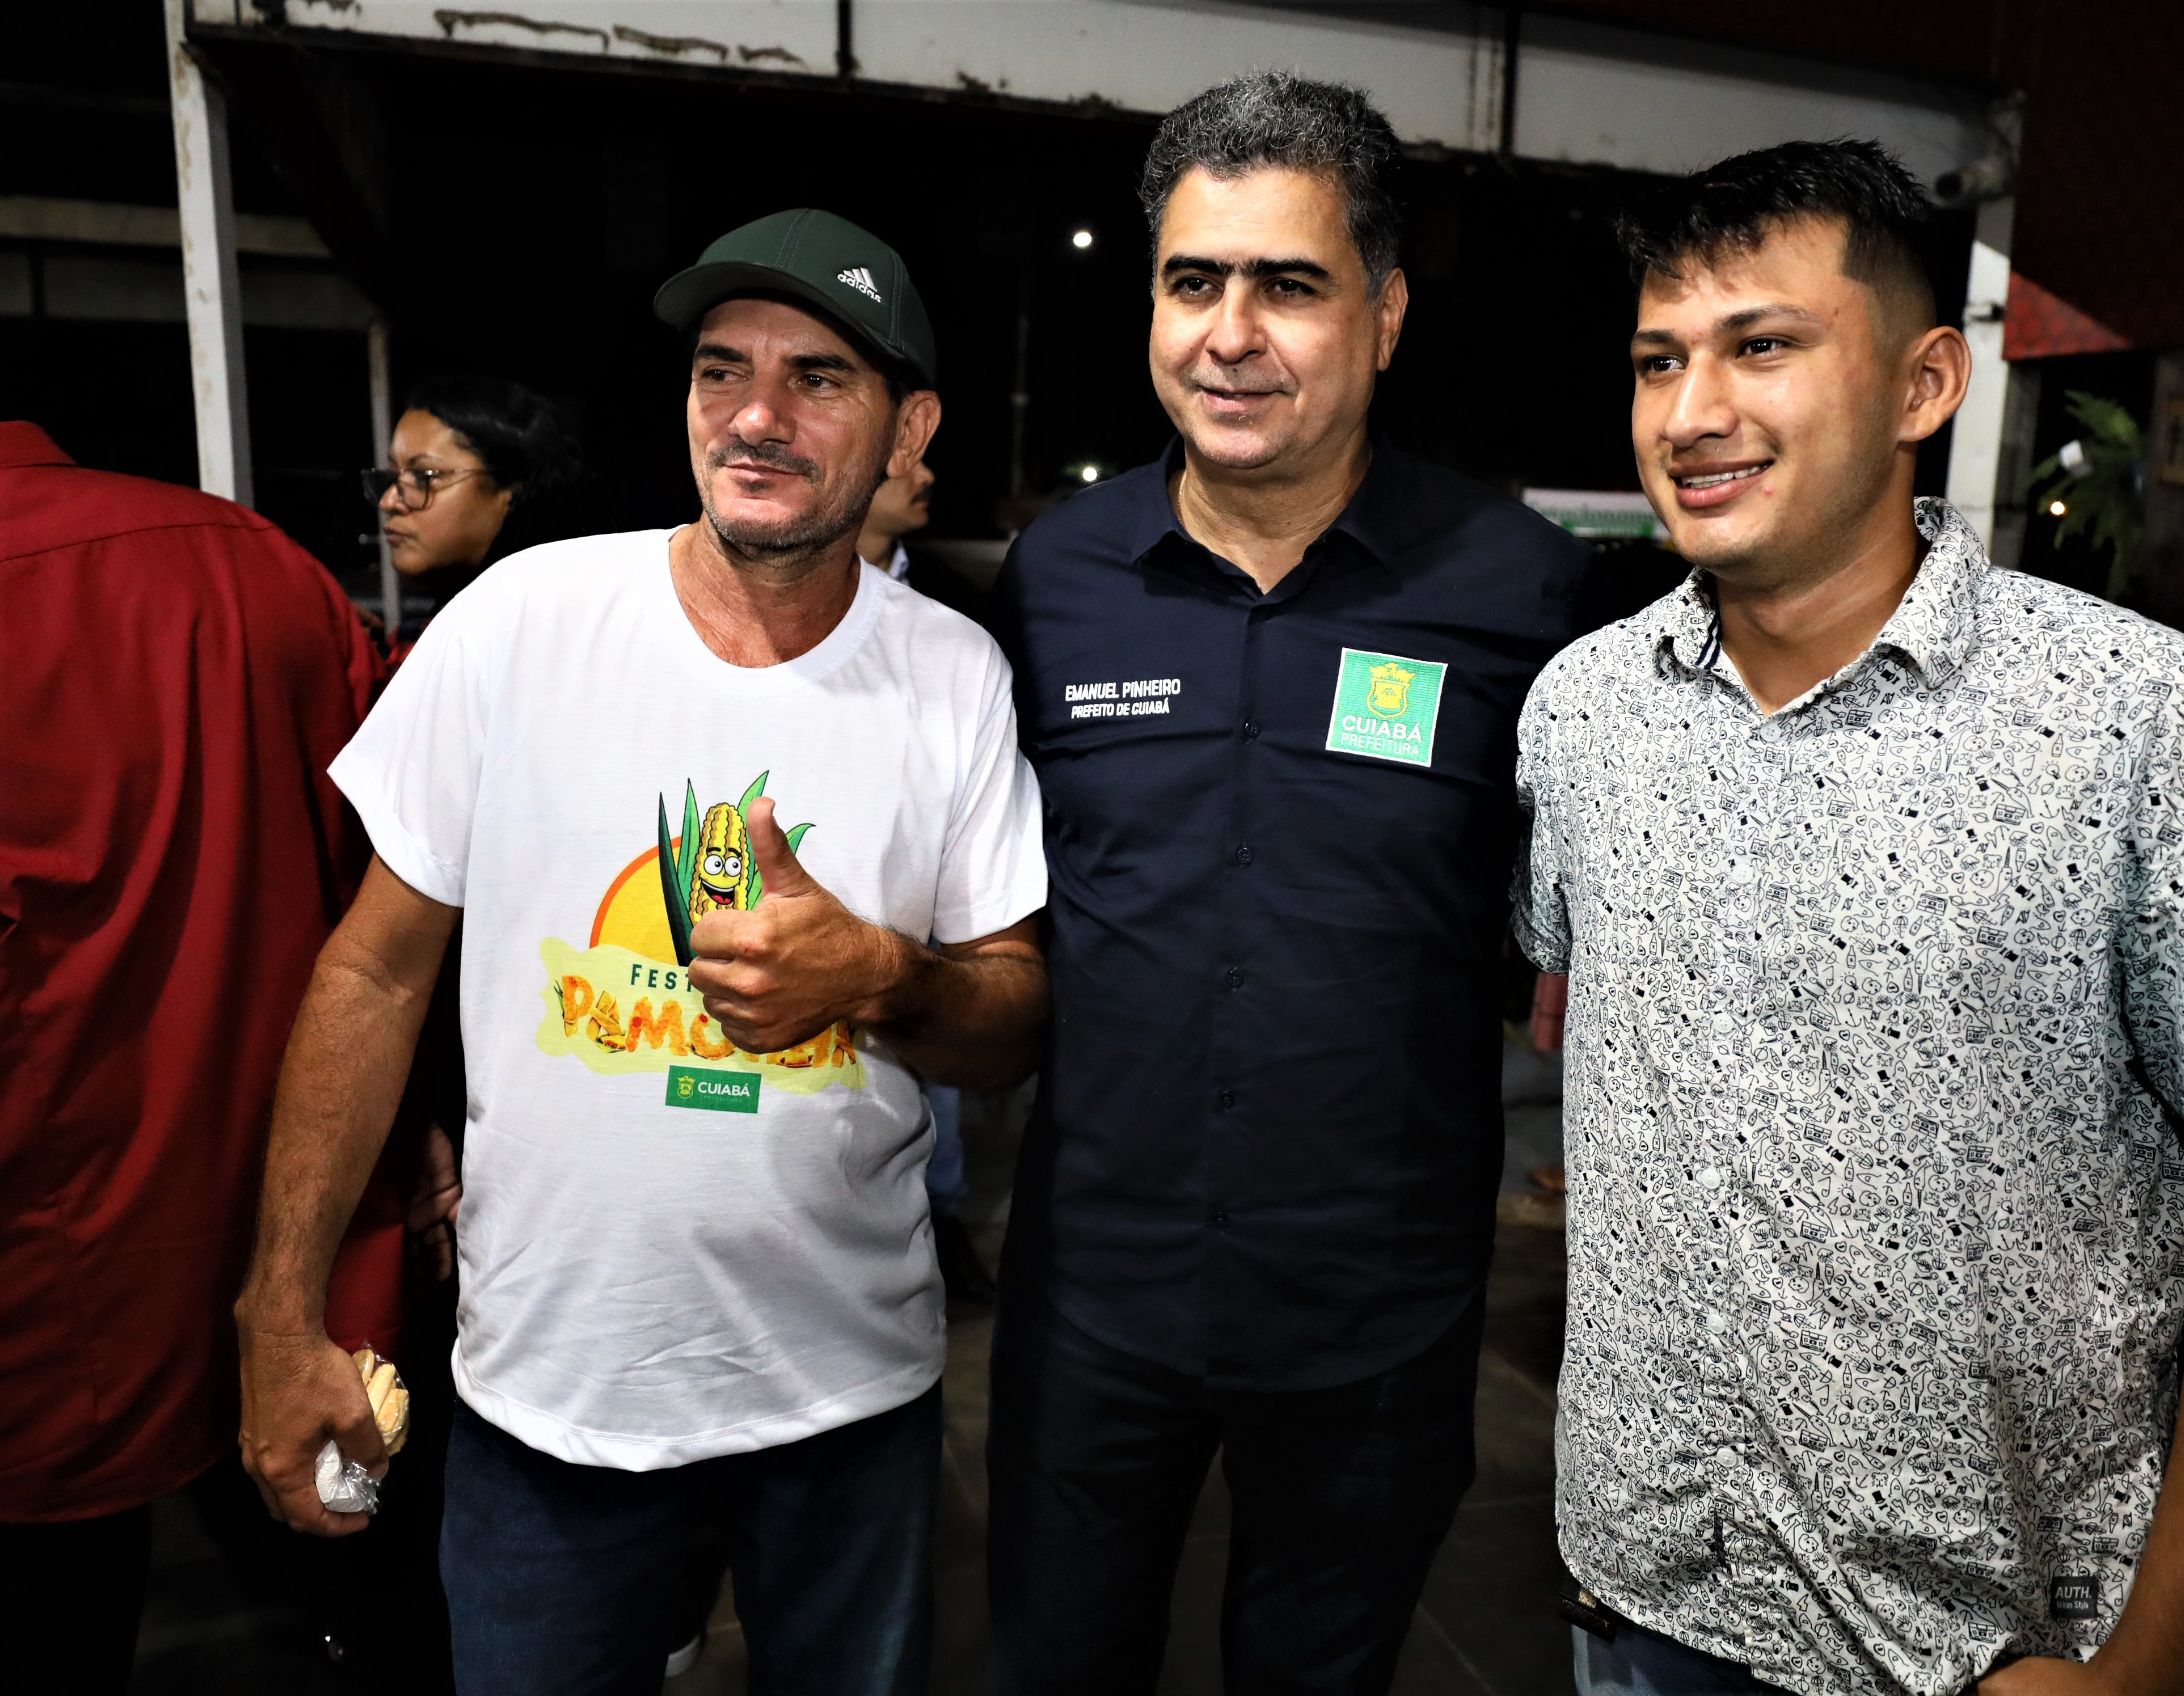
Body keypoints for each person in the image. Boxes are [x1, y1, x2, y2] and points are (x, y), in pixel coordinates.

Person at [1512, 141, 2184, 1695]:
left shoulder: (2167, 733)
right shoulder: (1581, 713)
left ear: (1924, 384)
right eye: (1659, 359)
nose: (1691, 411)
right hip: (1636, 1603)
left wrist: (2153, 1673)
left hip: (1982, 1654)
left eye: (1761, 345)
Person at [232, 208, 1049, 1695]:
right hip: (553, 1398)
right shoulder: (525, 620)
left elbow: (1009, 1018)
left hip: (848, 1403)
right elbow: (371, 972)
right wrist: (278, 1313)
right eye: (722, 368)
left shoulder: (954, 675)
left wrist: (878, 974)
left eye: (817, 377)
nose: (754, 414)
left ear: (909, 427)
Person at [986, 71, 1588, 1695]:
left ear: (1383, 316)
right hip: (1093, 1298)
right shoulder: (1059, 577)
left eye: (1289, 285)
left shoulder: (1520, 592)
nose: (1230, 334)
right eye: (1193, 281)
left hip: (1377, 1313)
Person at [0, 421, 380, 1692]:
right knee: (337, 1575)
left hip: (54, 1279)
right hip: (291, 1226)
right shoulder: (255, 557)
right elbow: (388, 894)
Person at [857, 455, 999, 1304]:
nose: (925, 474)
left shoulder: (957, 604)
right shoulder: (785, 586)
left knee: (932, 1023)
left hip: (932, 855)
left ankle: (940, 1218)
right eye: (899, 462)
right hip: (821, 850)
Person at [370, 375, 584, 651]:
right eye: (391, 477)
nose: (388, 502)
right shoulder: (429, 636)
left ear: (513, 488)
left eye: (424, 476)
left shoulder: (549, 641)